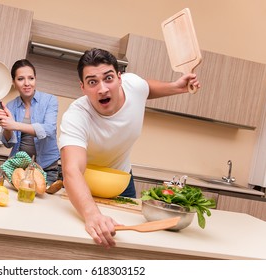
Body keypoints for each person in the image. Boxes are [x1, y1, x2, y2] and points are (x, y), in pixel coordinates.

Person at [59, 48, 200, 249]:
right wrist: (92, 215)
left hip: (121, 181)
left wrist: (176, 87)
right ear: (82, 87)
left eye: (108, 78)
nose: (102, 89)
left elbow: (147, 87)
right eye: (92, 82)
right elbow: (72, 170)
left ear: (120, 77)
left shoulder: (133, 85)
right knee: (82, 238)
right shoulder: (76, 116)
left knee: (126, 242)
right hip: (83, 184)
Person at [0, 59, 60, 185]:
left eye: (31, 78)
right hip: (19, 168)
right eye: (20, 79)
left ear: (35, 79)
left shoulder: (50, 101)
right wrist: (7, 126)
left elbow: (49, 130)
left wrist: (15, 125)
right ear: (13, 82)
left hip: (46, 167)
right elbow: (8, 144)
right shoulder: (11, 106)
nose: (27, 83)